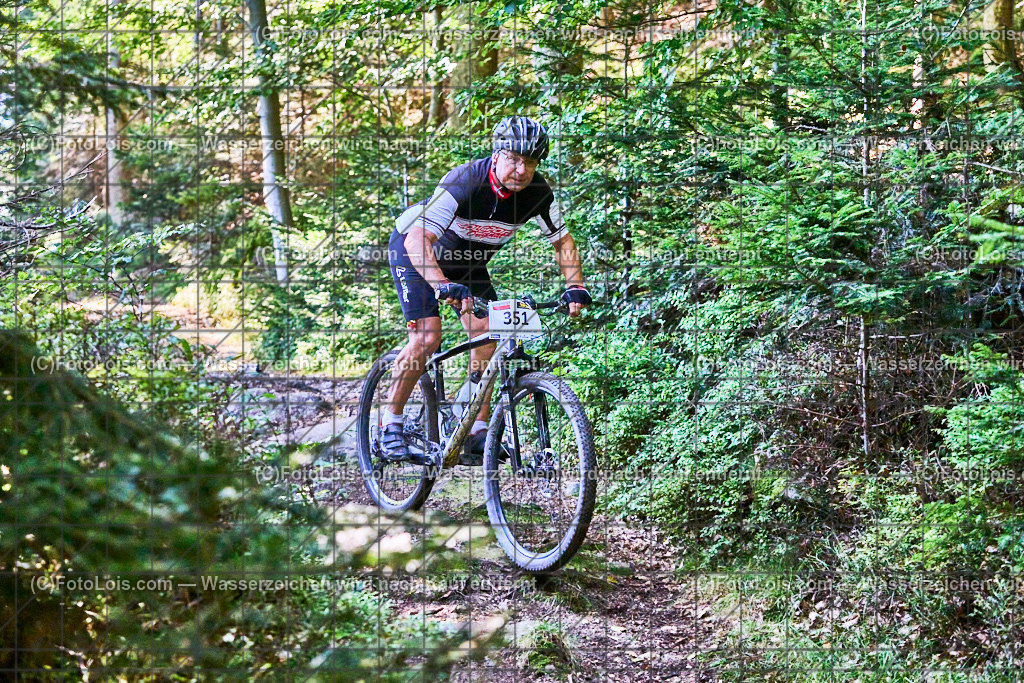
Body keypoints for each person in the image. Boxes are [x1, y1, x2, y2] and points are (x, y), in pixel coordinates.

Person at [381, 115, 592, 466]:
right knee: (427, 337)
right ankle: (391, 422)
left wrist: (575, 285)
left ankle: (475, 430)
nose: (521, 169)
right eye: (513, 157)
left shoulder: (538, 193)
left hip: (468, 265)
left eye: (530, 161)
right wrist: (440, 284)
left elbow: (563, 240)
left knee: (489, 337)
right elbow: (420, 238)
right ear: (496, 154)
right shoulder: (466, 182)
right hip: (416, 252)